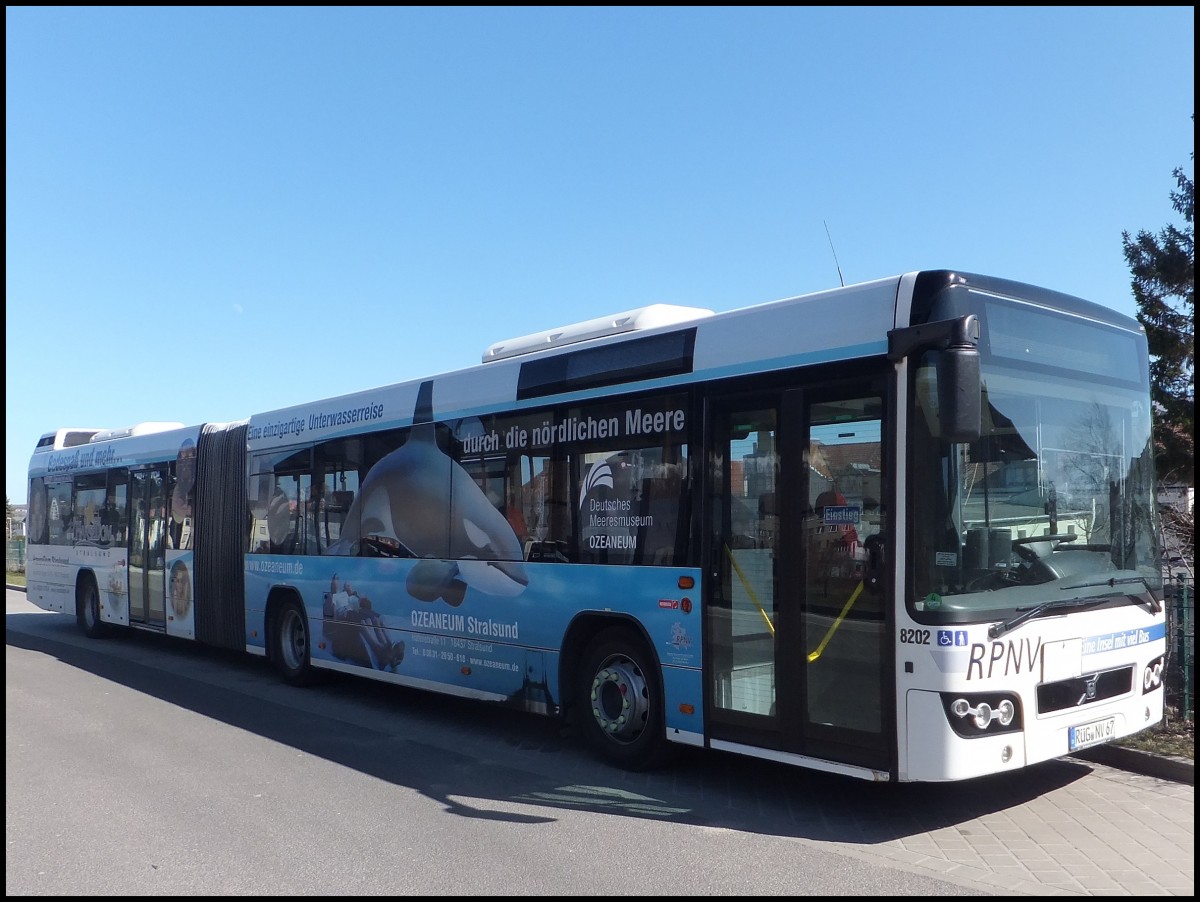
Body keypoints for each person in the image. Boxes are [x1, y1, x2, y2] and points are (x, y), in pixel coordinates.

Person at [327, 573, 405, 670]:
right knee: (364, 621)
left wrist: (357, 597)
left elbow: (361, 604)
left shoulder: (350, 595)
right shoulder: (334, 597)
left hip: (355, 611)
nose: (336, 585)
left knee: (375, 619)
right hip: (346, 613)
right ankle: (378, 648)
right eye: (334, 584)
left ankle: (389, 644)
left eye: (349, 585)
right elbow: (334, 614)